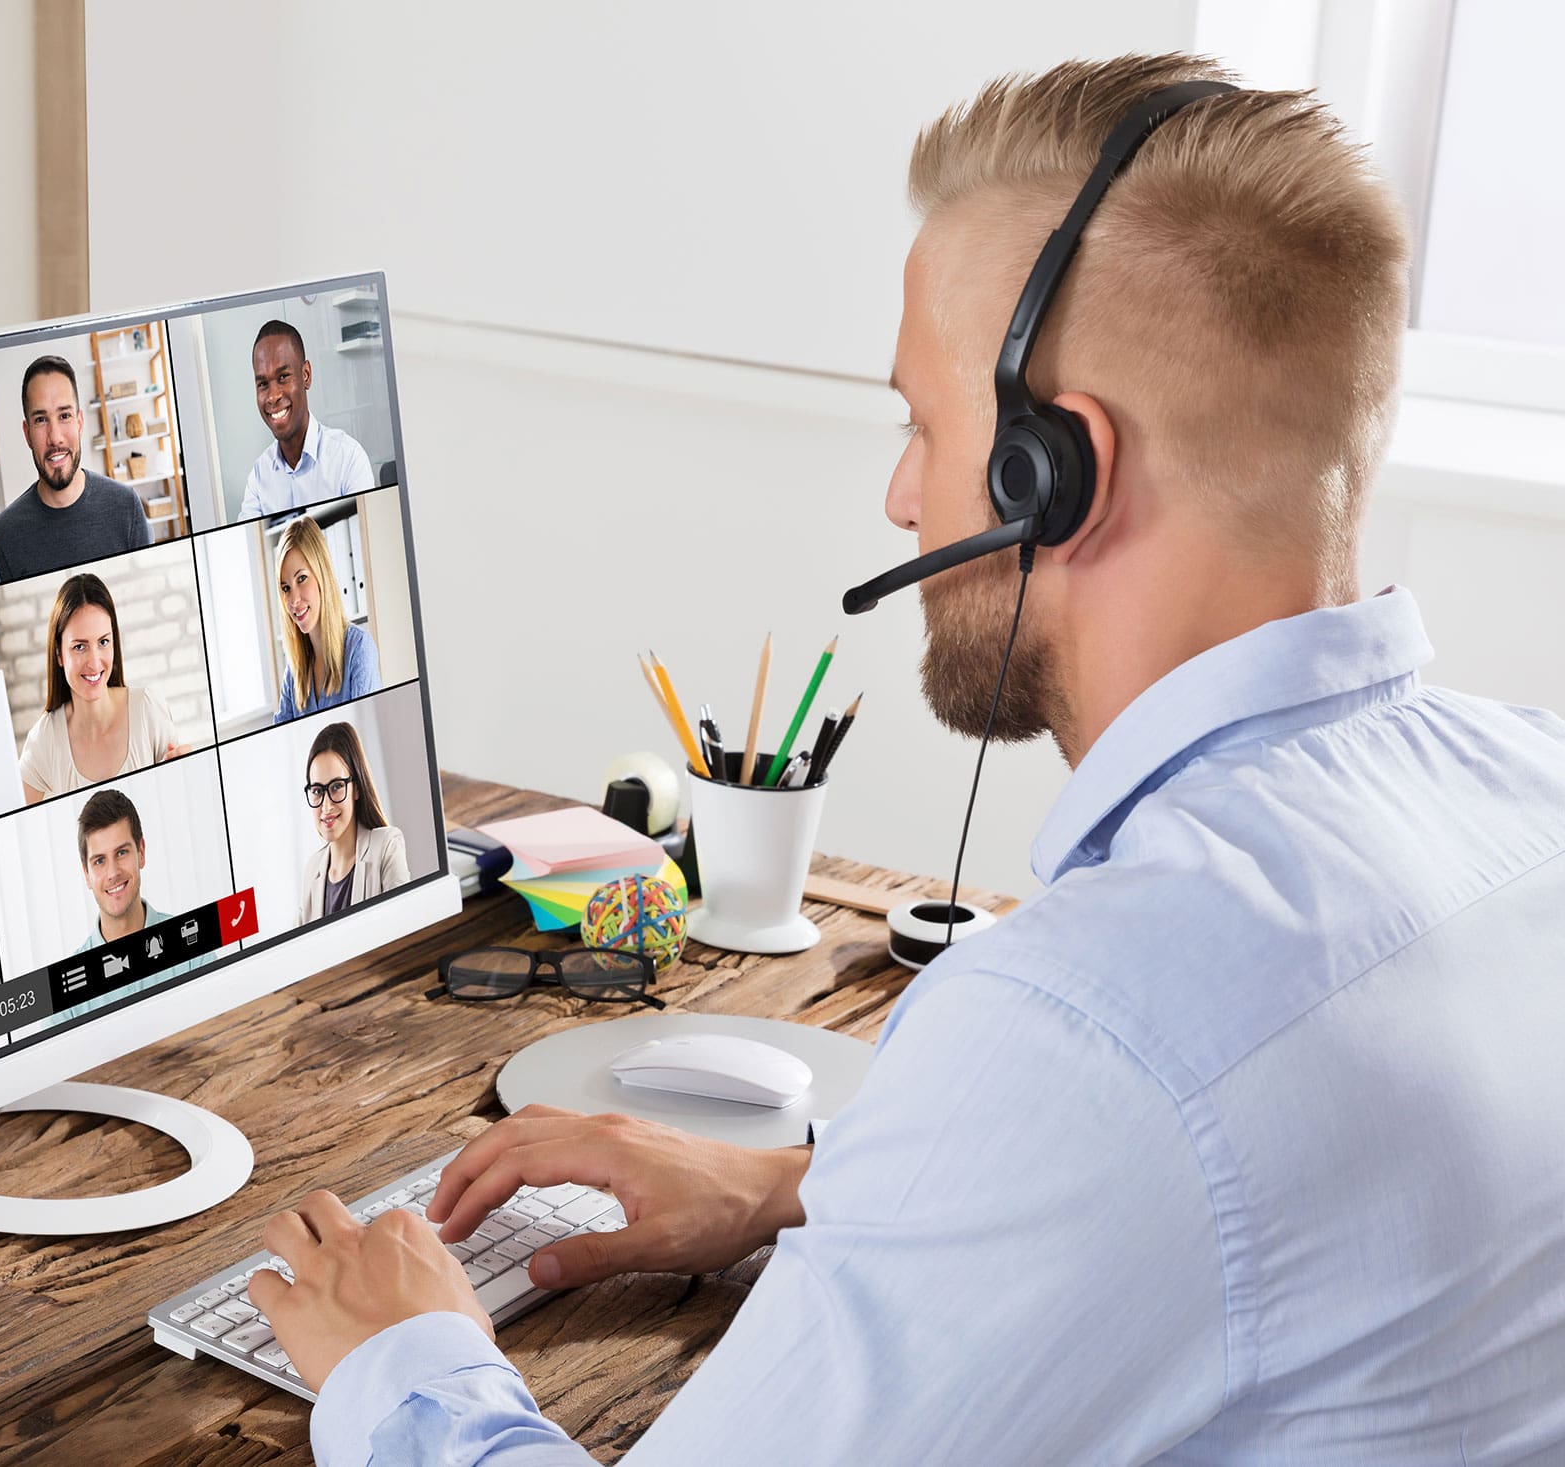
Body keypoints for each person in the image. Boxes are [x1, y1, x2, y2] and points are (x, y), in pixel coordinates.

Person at [246, 56, 1565, 1464]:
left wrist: (407, 1354)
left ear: (1050, 475)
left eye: (924, 426)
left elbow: (1143, 1132)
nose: (896, 492)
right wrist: (815, 1185)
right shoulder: (1527, 790)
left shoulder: (1093, 1029)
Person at [42, 788, 214, 1028]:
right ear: (86, 874)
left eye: (121, 852)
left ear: (141, 852)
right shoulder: (63, 997)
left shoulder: (195, 949)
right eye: (99, 861)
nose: (113, 873)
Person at [19, 573, 187, 803]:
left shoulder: (147, 709)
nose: (95, 662)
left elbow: (180, 799)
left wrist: (189, 772)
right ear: (59, 653)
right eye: (79, 647)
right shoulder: (45, 739)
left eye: (103, 642)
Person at [0, 355, 152, 582]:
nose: (55, 437)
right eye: (41, 420)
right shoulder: (8, 531)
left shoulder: (125, 506)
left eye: (64, 416)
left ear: (79, 423)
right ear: (27, 434)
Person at [236, 319, 376, 520]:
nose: (273, 396)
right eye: (263, 384)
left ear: (306, 375)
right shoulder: (258, 477)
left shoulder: (348, 459)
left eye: (283, 377)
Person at [297, 721, 408, 924]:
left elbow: (403, 927)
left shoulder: (387, 846)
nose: (326, 806)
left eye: (337, 786)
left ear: (356, 788)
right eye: (317, 791)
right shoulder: (312, 870)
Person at [272, 515, 380, 724]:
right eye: (286, 588)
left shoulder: (359, 650)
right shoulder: (293, 674)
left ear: (322, 574)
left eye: (301, 578)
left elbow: (365, 732)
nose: (293, 600)